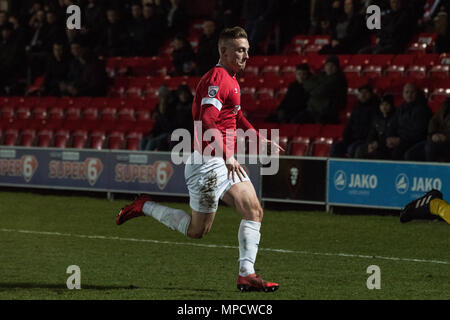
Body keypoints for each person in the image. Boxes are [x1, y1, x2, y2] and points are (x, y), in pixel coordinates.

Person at [116, 26, 282, 292]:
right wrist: (228, 155)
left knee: (254, 211)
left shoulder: (232, 78)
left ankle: (246, 275)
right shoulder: (217, 79)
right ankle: (144, 205)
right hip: (207, 164)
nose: (246, 56)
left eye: (247, 51)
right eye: (240, 51)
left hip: (223, 161)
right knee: (197, 231)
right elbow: (207, 120)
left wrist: (258, 137)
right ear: (223, 51)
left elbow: (235, 117)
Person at [330, 84, 379, 158]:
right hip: (353, 139)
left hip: (364, 140)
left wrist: (368, 141)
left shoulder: (375, 109)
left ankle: (352, 169)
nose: (363, 95)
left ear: (371, 94)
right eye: (361, 92)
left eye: (366, 92)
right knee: (336, 147)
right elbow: (349, 125)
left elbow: (373, 128)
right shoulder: (356, 108)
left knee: (352, 149)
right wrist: (346, 138)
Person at [386, 83, 432, 160]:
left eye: (412, 92)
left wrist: (400, 140)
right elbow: (392, 125)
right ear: (403, 94)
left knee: (404, 154)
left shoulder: (422, 109)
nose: (409, 95)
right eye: (406, 92)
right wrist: (389, 138)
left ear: (416, 93)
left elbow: (419, 132)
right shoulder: (400, 108)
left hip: (415, 141)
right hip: (400, 140)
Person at [299, 55, 348, 124]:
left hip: (328, 111)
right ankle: (277, 134)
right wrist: (317, 87)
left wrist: (312, 90)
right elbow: (306, 83)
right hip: (313, 109)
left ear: (337, 67)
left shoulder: (338, 78)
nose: (329, 68)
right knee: (295, 120)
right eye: (328, 65)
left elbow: (321, 91)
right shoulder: (321, 75)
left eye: (332, 65)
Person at [406, 97, 450, 162]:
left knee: (429, 148)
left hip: (447, 142)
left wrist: (445, 137)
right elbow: (433, 120)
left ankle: (430, 171)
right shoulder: (446, 105)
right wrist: (433, 134)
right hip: (435, 139)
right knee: (410, 154)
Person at [355, 93, 396, 159]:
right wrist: (370, 144)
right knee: (359, 150)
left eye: (387, 104)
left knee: (376, 154)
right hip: (376, 145)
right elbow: (372, 133)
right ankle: (357, 169)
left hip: (387, 147)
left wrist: (378, 144)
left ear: (391, 106)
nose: (384, 107)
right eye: (382, 105)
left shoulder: (395, 118)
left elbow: (390, 136)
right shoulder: (377, 119)